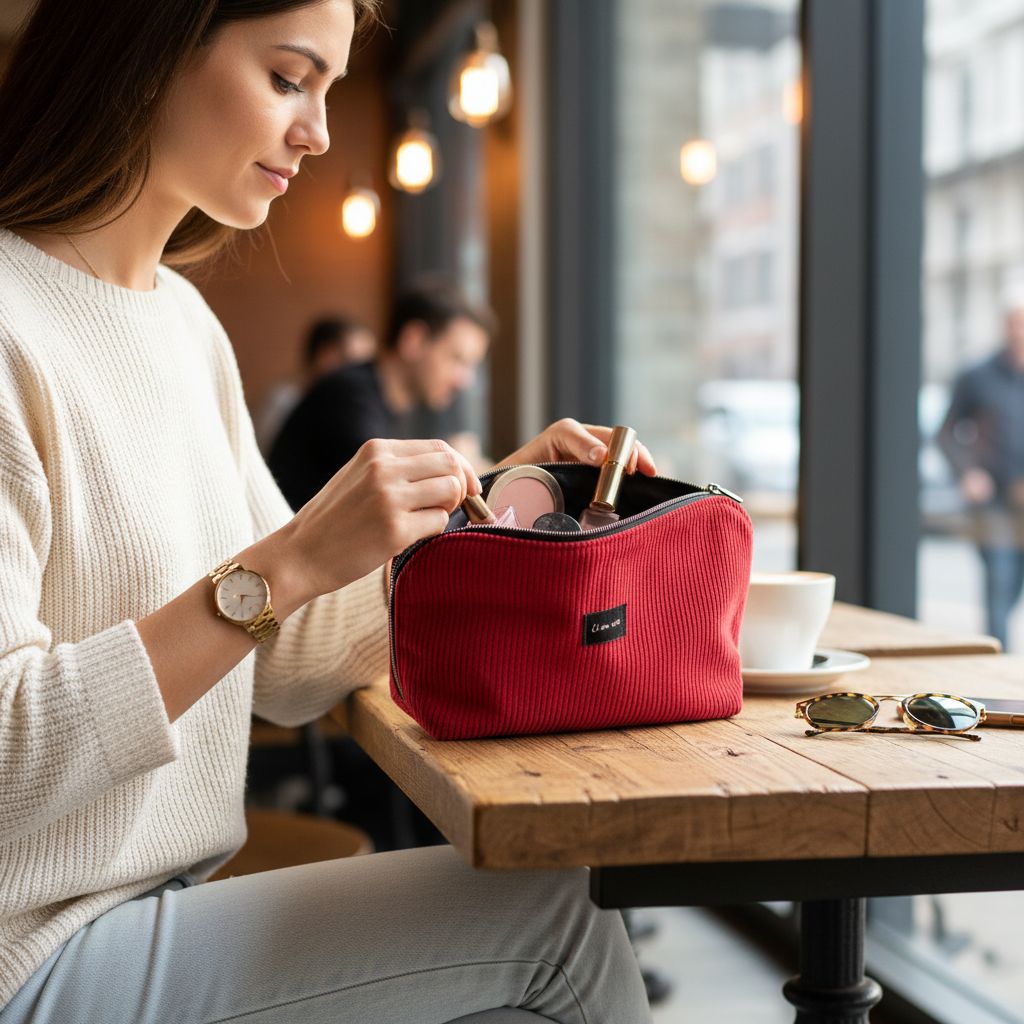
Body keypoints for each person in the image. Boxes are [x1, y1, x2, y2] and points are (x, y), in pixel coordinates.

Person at [0, 1, 658, 1022]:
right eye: (286, 78)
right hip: (29, 951)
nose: (315, 131)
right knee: (557, 919)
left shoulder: (181, 324)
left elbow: (291, 660)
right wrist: (290, 562)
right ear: (145, 45)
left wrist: (490, 512)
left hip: (150, 907)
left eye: (329, 90)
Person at [269, 280, 493, 510]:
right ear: (413, 340)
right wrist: (457, 461)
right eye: (457, 359)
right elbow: (390, 482)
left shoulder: (390, 405)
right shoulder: (348, 394)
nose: (465, 380)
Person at [938, 284, 1024, 650]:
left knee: (1014, 586)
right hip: (993, 506)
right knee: (999, 587)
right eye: (1015, 322)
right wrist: (968, 473)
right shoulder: (977, 375)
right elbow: (946, 433)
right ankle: (997, 672)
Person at [254, 314, 377, 454]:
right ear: (326, 356)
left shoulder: (351, 408)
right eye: (355, 365)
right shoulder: (284, 400)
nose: (363, 375)